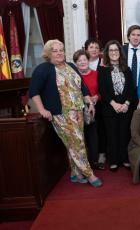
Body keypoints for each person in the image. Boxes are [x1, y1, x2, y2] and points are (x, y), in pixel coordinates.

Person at [29, 39, 102, 187]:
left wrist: (89, 102)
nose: (59, 53)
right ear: (48, 53)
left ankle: (75, 173)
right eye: (55, 50)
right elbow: (34, 92)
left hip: (78, 111)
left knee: (74, 142)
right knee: (78, 143)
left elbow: (82, 86)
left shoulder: (70, 66)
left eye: (61, 49)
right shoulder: (43, 69)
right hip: (61, 113)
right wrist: (42, 110)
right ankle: (90, 174)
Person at [98, 40, 136, 171]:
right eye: (111, 50)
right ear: (107, 53)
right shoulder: (102, 70)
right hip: (110, 106)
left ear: (120, 52)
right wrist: (114, 104)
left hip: (126, 106)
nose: (114, 52)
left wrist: (126, 103)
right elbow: (102, 90)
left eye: (116, 50)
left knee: (124, 134)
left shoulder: (127, 69)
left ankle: (125, 159)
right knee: (112, 134)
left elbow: (131, 89)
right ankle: (114, 160)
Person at [73, 49, 104, 170]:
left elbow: (103, 90)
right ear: (75, 63)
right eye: (79, 60)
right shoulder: (73, 76)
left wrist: (97, 96)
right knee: (80, 136)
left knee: (93, 135)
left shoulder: (96, 74)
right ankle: (81, 163)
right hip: (78, 109)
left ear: (88, 60)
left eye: (84, 60)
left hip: (95, 108)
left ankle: (94, 161)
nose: (82, 62)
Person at [122, 25, 140, 90]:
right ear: (129, 36)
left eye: (138, 35)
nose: (135, 37)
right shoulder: (121, 50)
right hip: (124, 88)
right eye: (133, 35)